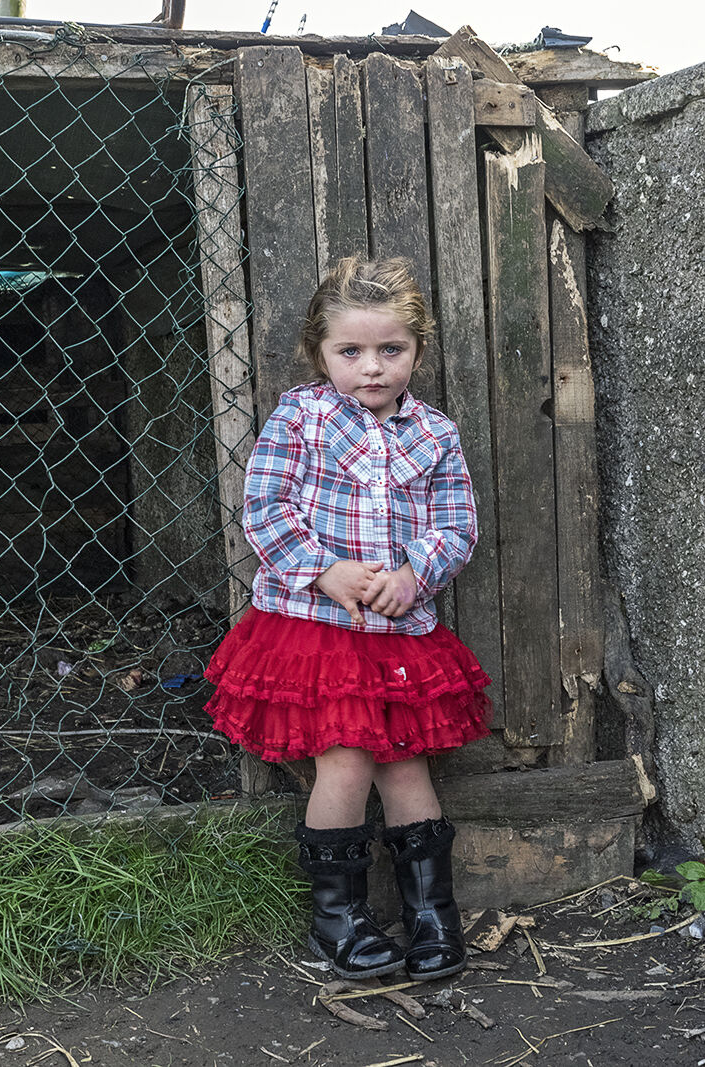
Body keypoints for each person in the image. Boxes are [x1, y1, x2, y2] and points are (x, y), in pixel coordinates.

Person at [204, 256, 492, 982]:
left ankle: (432, 912)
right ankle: (338, 916)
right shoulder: (300, 418)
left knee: (405, 762)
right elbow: (264, 508)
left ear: (417, 351)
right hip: (314, 628)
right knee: (346, 757)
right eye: (350, 351)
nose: (372, 367)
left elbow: (456, 525)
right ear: (319, 353)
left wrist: (414, 572)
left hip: (398, 631)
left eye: (391, 349)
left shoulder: (435, 433)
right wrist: (322, 569)